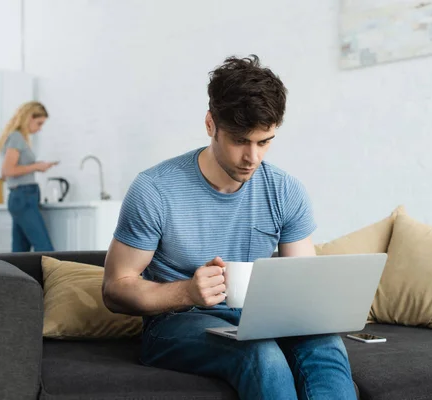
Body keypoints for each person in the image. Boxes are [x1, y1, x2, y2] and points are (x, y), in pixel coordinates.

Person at [102, 55, 357, 400]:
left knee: (325, 346)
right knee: (259, 352)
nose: (252, 157)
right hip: (177, 322)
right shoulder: (154, 189)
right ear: (211, 124)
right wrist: (187, 292)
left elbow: (303, 286)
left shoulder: (285, 190)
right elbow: (115, 289)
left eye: (264, 141)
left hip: (260, 316)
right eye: (240, 141)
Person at [0, 101, 57, 252]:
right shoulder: (16, 137)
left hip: (23, 196)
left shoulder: (18, 138)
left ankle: (14, 276)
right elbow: (7, 171)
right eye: (39, 123)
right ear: (29, 117)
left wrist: (36, 166)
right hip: (23, 197)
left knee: (20, 252)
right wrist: (36, 166)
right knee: (45, 249)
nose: (40, 128)